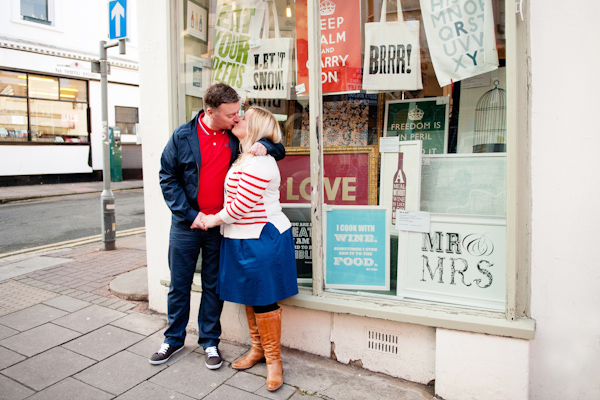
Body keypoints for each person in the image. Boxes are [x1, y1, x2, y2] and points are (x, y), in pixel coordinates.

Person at [151, 83, 285, 369]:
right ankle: (173, 339)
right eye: (231, 114)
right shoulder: (183, 136)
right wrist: (189, 215)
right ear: (209, 111)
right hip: (188, 224)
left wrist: (268, 144)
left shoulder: (234, 135)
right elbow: (167, 178)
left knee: (213, 286)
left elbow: (275, 144)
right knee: (179, 284)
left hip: (221, 226)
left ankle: (210, 342)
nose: (237, 118)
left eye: (239, 113)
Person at [201, 106, 298, 391]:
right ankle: (257, 350)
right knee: (250, 294)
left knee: (264, 299)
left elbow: (241, 207)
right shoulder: (244, 156)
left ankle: (273, 360)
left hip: (260, 237)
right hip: (240, 237)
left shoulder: (260, 161)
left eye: (243, 118)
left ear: (254, 128)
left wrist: (211, 220)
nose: (237, 119)